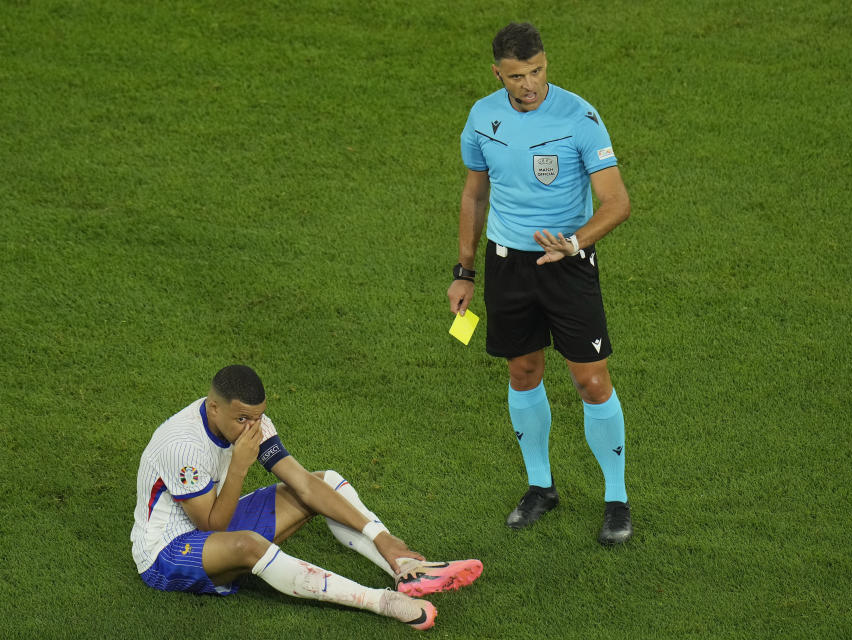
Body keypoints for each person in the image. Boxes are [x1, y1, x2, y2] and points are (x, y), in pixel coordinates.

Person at [447, 22, 632, 545]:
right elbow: (474, 196)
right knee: (524, 371)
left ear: (546, 63)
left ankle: (616, 498)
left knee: (591, 381)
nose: (529, 84)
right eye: (516, 76)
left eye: (537, 71)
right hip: (508, 264)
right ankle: (540, 487)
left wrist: (574, 244)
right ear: (497, 74)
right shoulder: (483, 117)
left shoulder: (580, 116)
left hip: (568, 265)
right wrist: (464, 271)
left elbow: (616, 203)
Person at [131, 365, 482, 630]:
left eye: (258, 417)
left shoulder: (249, 421)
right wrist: (239, 467)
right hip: (167, 550)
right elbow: (211, 525)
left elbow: (305, 485)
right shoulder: (182, 447)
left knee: (324, 481)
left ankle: (407, 569)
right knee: (247, 545)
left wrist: (382, 537)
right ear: (213, 408)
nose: (252, 428)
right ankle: (380, 601)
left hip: (214, 521)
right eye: (242, 419)